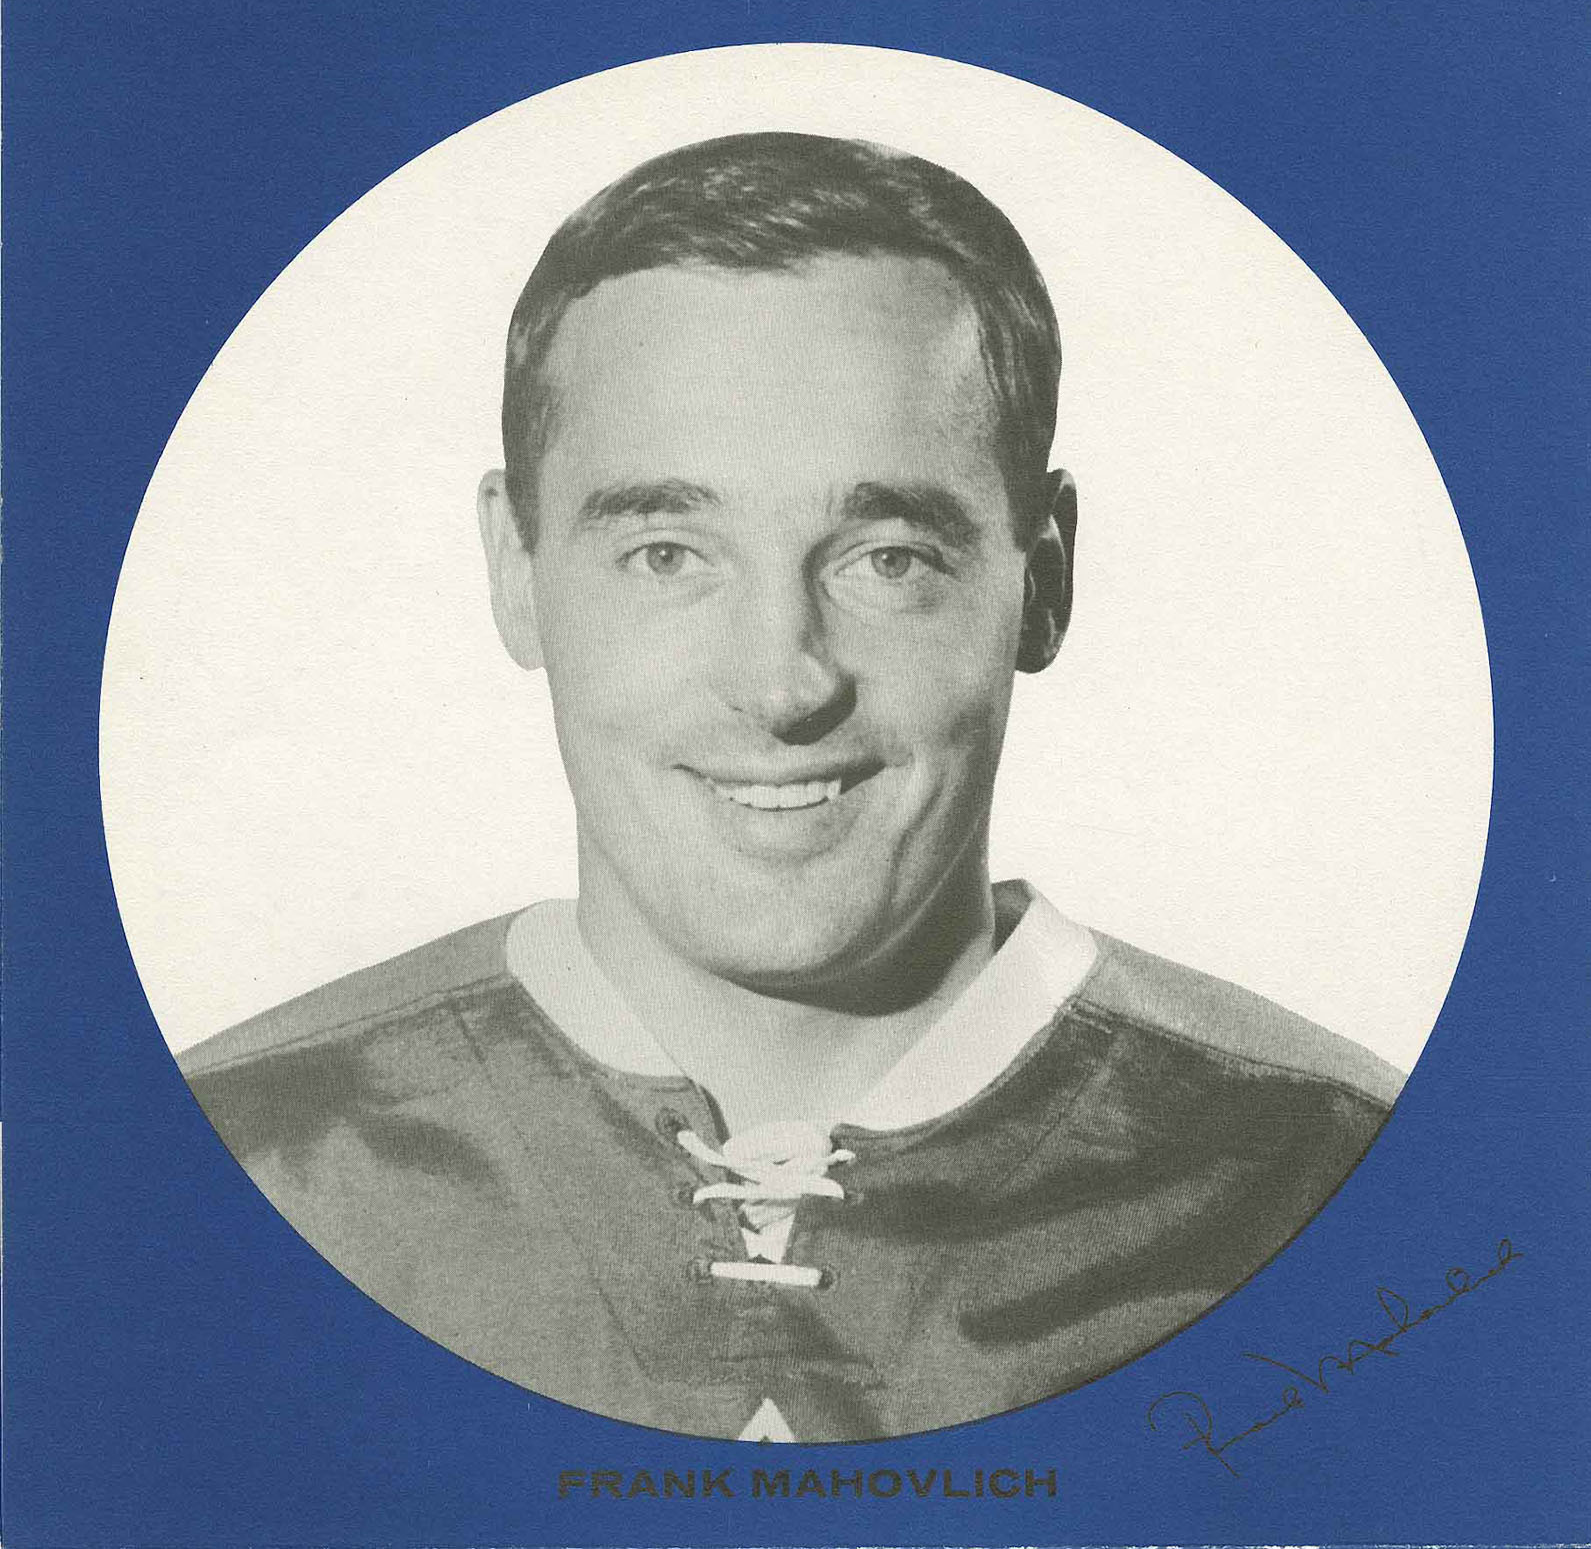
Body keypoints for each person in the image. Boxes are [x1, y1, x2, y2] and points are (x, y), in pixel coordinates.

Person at [181, 131, 1403, 1442]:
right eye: (667, 553)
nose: (782, 683)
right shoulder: (227, 1167)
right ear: (514, 569)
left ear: (1042, 579)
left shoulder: (1347, 1189)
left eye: (887, 558)